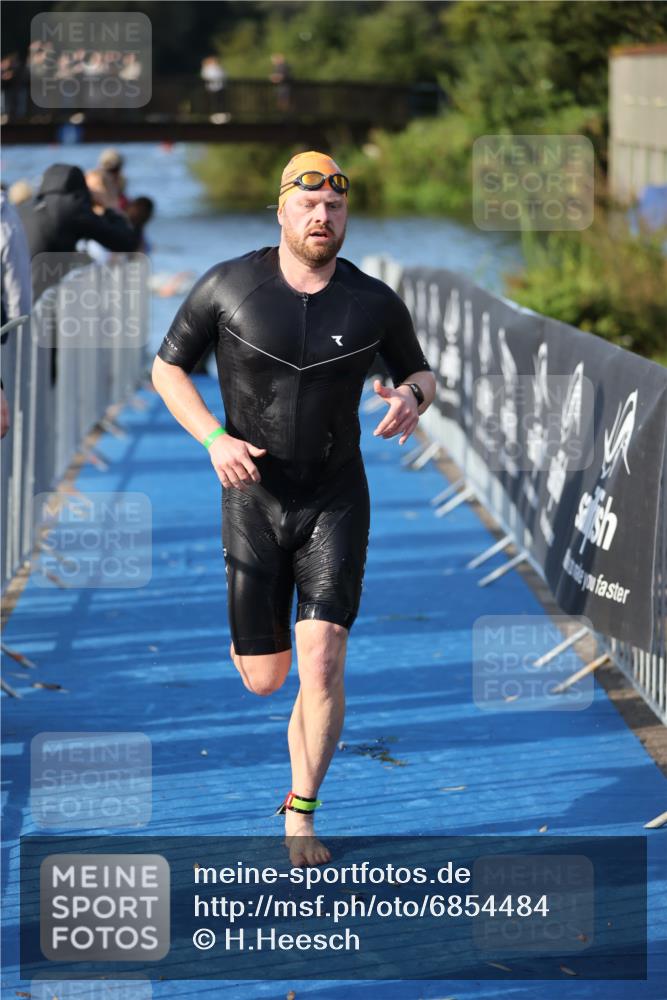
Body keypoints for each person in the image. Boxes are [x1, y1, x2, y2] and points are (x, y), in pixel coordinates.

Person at [151, 150, 435, 867]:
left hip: (335, 497)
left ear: (345, 215)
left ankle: (301, 811)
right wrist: (213, 437)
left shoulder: (371, 302)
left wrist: (410, 397)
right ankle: (266, 661)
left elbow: (420, 371)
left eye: (334, 207)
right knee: (265, 678)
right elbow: (166, 368)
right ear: (280, 209)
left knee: (323, 660)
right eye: (308, 205)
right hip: (251, 498)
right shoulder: (227, 286)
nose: (321, 216)